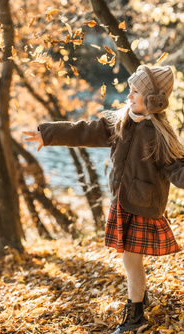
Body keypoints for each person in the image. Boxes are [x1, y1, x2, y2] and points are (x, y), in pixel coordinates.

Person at [23, 65, 182, 334]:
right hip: (122, 203)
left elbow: (177, 169)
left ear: (155, 101)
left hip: (142, 206)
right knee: (130, 261)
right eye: (130, 90)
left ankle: (135, 317)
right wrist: (47, 133)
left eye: (135, 92)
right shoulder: (120, 122)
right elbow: (83, 131)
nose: (129, 96)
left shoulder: (160, 136)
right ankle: (139, 300)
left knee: (131, 261)